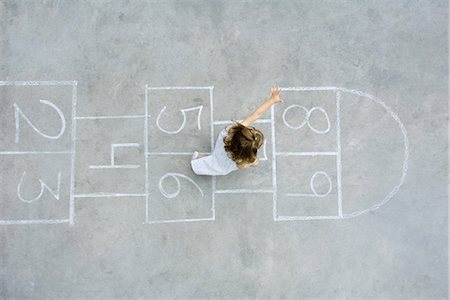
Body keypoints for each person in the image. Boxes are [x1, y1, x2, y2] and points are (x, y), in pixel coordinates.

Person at [191, 85, 283, 175]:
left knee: (214, 158)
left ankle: (201, 159)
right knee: (214, 165)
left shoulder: (233, 130)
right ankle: (196, 165)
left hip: (221, 148)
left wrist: (272, 100)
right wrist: (252, 162)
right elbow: (242, 165)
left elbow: (256, 114)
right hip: (222, 162)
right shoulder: (237, 161)